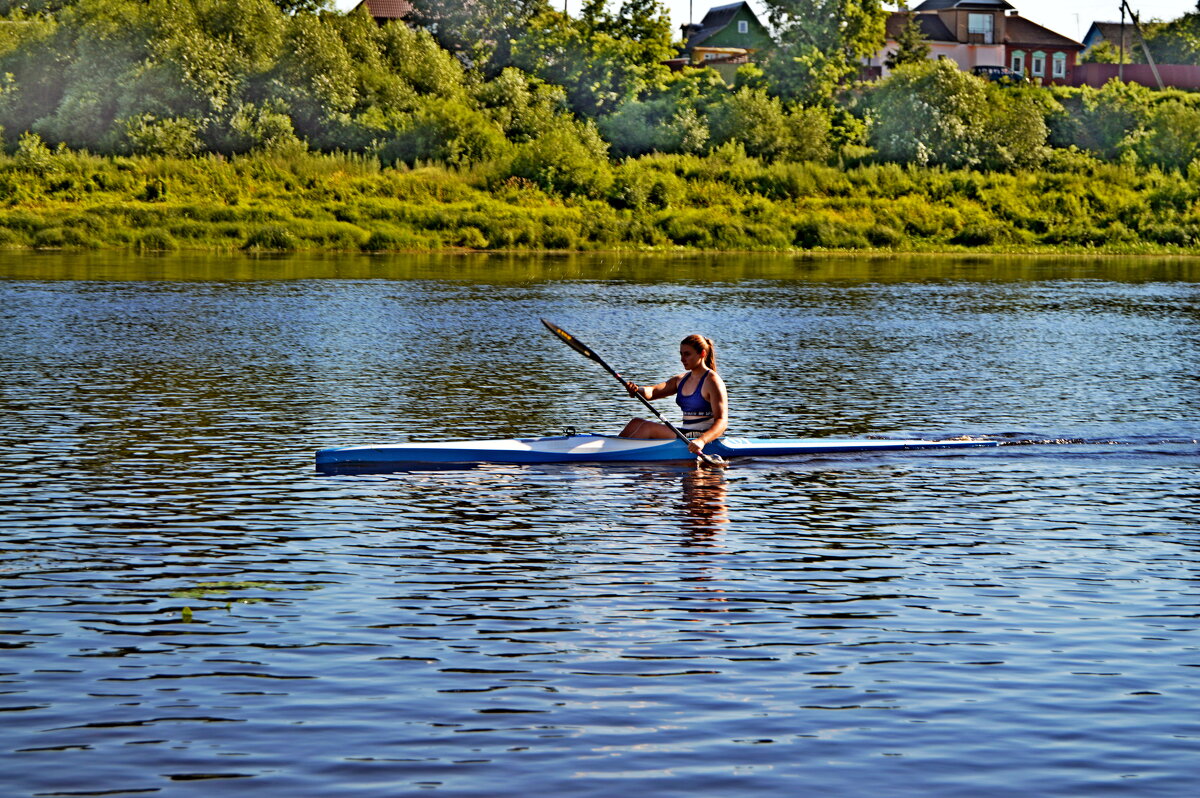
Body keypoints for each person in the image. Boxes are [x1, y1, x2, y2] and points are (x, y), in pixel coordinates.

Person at [619, 334, 728, 456]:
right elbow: (654, 391)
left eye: (687, 354)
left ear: (702, 354)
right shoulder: (681, 379)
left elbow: (722, 421)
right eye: (681, 354)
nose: (682, 359)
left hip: (703, 436)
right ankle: (612, 448)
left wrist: (702, 441)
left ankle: (614, 455)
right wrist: (637, 390)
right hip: (686, 433)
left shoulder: (712, 381)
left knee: (647, 428)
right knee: (636, 422)